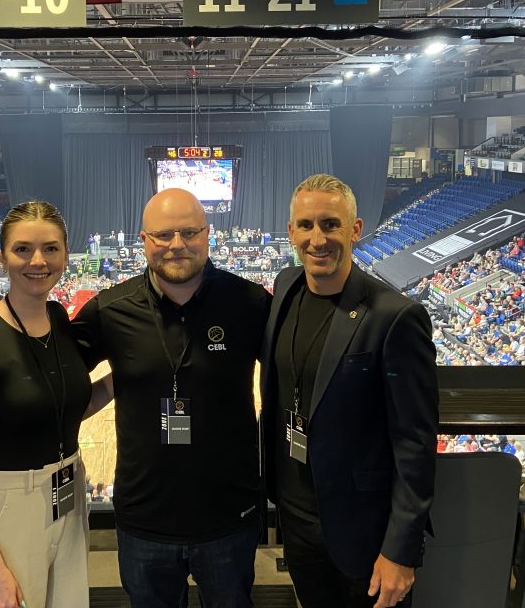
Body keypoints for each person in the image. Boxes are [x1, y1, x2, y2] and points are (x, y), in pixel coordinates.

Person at [73, 188, 272, 607]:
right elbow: (48, 367)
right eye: (163, 235)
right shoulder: (110, 310)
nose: (176, 245)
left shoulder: (251, 304)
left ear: (208, 234)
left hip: (229, 519)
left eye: (189, 232)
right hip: (144, 522)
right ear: (144, 239)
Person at [261, 174, 438, 608]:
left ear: (355, 230)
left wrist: (401, 550)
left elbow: (415, 443)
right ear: (291, 233)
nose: (317, 239)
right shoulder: (286, 286)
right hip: (296, 516)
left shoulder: (396, 316)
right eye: (305, 225)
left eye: (330, 224)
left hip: (364, 533)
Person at [0, 201, 112, 608]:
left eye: (50, 249)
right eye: (22, 249)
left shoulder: (58, 320)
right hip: (6, 509)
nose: (38, 261)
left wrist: (128, 376)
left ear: (66, 254)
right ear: (1, 257)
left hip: (68, 497)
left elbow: (65, 409)